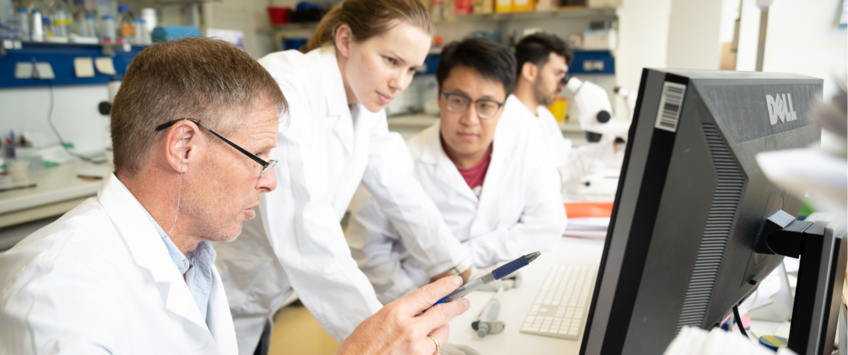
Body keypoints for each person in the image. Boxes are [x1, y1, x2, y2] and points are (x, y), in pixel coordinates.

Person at [0, 37, 469, 355]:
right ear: (183, 146)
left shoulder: (194, 258)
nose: (271, 181)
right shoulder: (58, 295)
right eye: (259, 156)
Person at [213, 0, 477, 352]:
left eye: (412, 69)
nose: (400, 82)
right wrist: (385, 337)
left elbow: (397, 185)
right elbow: (307, 227)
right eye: (391, 61)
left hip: (262, 294)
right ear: (346, 40)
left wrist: (451, 263)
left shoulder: (365, 98)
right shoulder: (285, 87)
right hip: (226, 285)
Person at [346, 38, 567, 304]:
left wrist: (460, 257)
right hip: (418, 301)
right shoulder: (396, 162)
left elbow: (547, 226)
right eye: (459, 100)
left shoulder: (527, 151)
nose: (470, 119)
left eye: (486, 105)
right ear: (439, 96)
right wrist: (417, 302)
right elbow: (368, 250)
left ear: (503, 108)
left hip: (505, 295)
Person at [505, 32, 617, 188]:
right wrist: (564, 173)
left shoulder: (543, 114)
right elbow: (515, 184)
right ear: (530, 71)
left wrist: (615, 146)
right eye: (558, 74)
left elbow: (566, 157)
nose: (562, 85)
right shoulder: (506, 119)